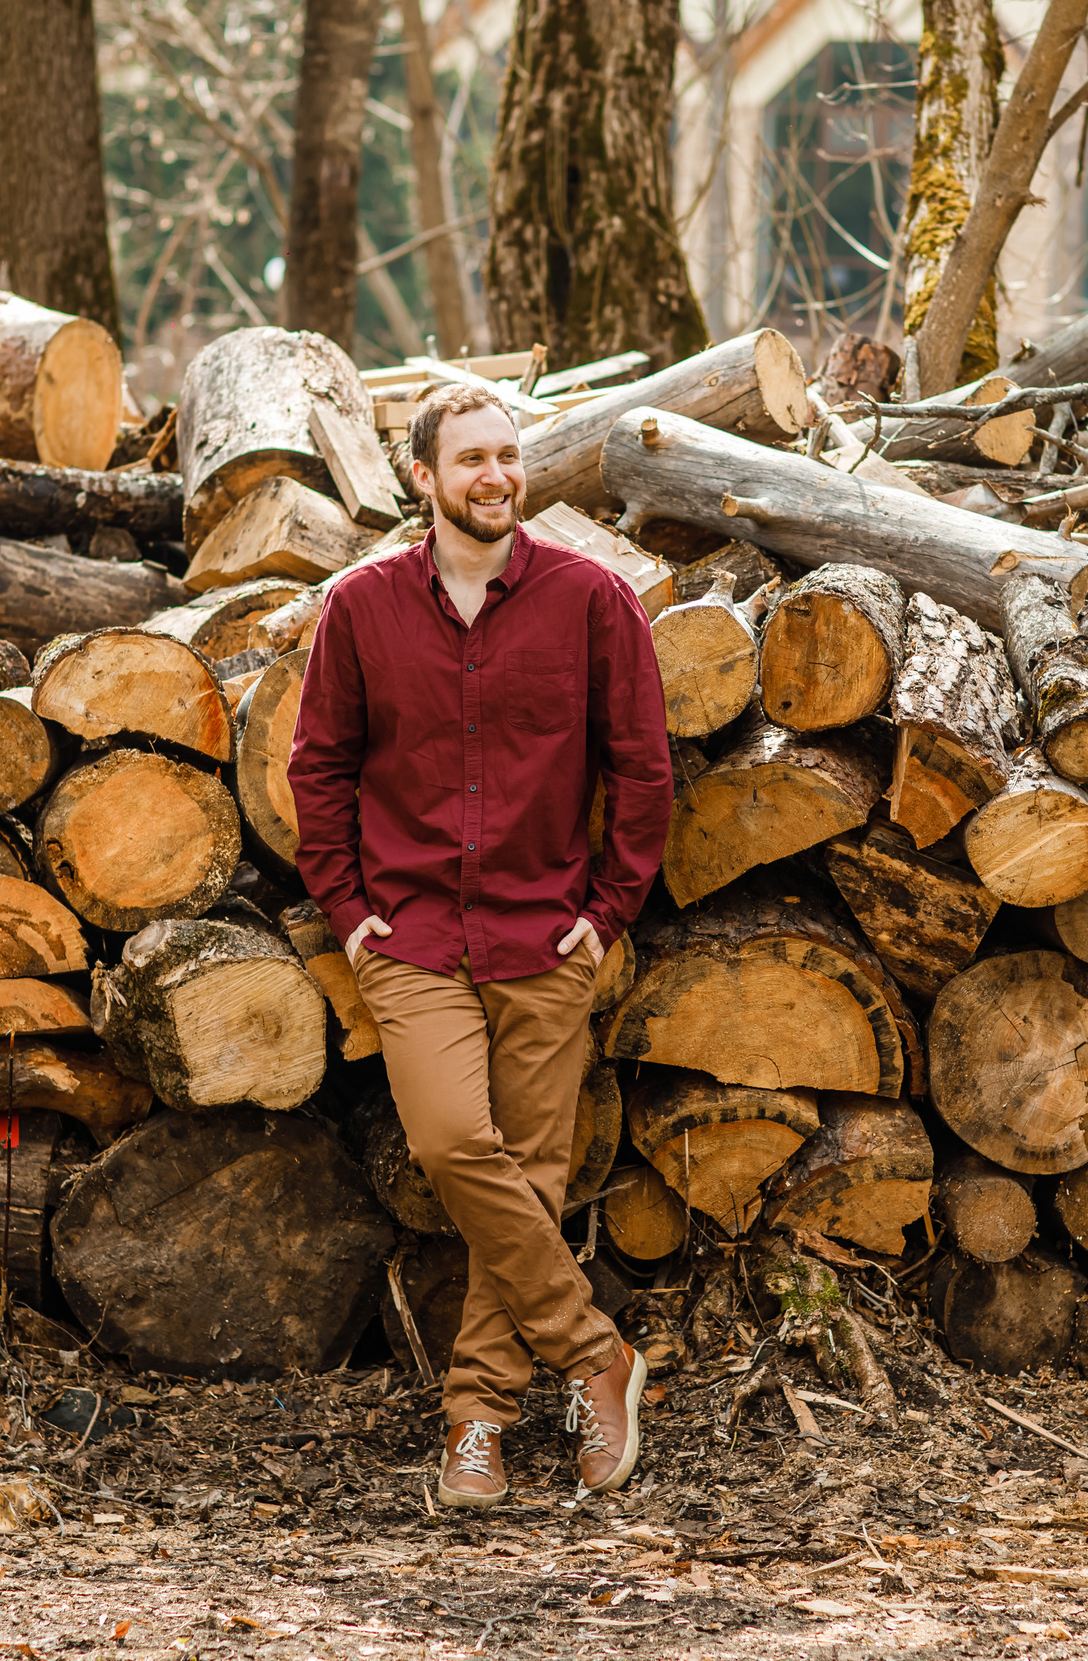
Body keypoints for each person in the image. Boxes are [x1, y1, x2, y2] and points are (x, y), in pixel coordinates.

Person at [288, 380, 674, 1509]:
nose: (495, 477)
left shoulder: (592, 601)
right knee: (459, 1147)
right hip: (408, 939)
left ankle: (477, 1421)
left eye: (508, 456)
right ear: (423, 479)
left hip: (544, 936)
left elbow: (642, 771)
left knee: (535, 1180)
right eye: (470, 461)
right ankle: (596, 1355)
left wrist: (603, 916)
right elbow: (318, 767)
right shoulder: (360, 608)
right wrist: (349, 911)